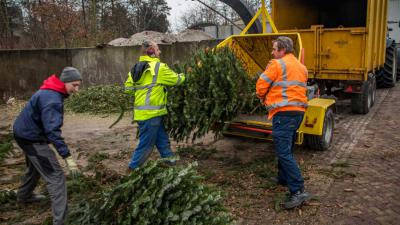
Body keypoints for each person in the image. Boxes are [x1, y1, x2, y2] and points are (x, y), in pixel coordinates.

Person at [13, 67, 82, 225]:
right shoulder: (52, 100)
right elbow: (53, 132)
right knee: (56, 177)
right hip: (32, 139)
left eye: (78, 85)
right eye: (74, 85)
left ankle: (24, 195)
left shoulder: (50, 90)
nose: (77, 90)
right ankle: (61, 221)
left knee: (36, 167)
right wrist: (67, 157)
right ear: (64, 82)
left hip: (23, 134)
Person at [256, 36, 310, 209]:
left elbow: (260, 86)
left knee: (283, 152)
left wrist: (262, 97)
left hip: (283, 113)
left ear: (282, 50)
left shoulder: (276, 64)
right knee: (287, 148)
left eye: (274, 49)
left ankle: (298, 191)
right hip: (298, 113)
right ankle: (283, 178)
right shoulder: (302, 67)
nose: (272, 52)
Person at [125, 40, 185, 170]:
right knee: (146, 145)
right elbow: (177, 80)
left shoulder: (135, 68)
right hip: (151, 115)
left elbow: (128, 89)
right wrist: (187, 74)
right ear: (152, 51)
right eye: (158, 49)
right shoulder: (159, 68)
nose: (160, 51)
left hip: (143, 113)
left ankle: (171, 162)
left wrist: (143, 92)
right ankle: (132, 168)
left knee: (162, 140)